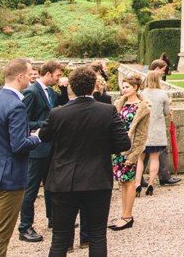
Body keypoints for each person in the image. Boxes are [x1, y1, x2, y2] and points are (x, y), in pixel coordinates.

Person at [40, 66, 131, 257]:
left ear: (71, 86)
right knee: (97, 235)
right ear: (93, 87)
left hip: (63, 180)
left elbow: (44, 136)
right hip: (96, 179)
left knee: (60, 237)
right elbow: (123, 142)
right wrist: (102, 148)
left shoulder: (58, 113)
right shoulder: (107, 111)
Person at [0, 58, 41, 257]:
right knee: (0, 236)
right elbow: (19, 145)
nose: (32, 78)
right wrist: (37, 137)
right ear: (20, 76)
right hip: (9, 179)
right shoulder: (16, 105)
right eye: (30, 74)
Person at [17, 60, 63, 243]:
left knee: (52, 185)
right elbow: (24, 122)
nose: (59, 78)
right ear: (49, 73)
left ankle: (53, 219)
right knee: (31, 189)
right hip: (36, 149)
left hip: (52, 147)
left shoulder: (51, 92)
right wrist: (45, 124)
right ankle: (25, 227)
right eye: (58, 75)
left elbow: (62, 108)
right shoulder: (31, 92)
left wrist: (65, 90)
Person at [110, 74, 150, 230]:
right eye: (123, 87)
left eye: (127, 87)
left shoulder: (142, 107)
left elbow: (142, 135)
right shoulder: (119, 103)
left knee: (129, 181)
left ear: (135, 88)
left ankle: (128, 216)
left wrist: (134, 155)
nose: (124, 89)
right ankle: (123, 214)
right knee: (123, 182)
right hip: (118, 148)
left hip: (130, 149)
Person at [137, 70, 171, 197]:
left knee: (140, 159)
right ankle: (151, 183)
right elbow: (167, 113)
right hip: (157, 131)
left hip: (143, 130)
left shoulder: (142, 94)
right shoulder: (163, 94)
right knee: (154, 158)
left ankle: (137, 184)